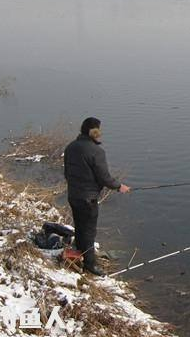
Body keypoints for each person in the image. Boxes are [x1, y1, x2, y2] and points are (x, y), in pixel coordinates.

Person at [64, 117, 130, 276]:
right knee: (88, 231)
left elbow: (67, 173)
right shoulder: (96, 151)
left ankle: (81, 252)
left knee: (80, 225)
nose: (100, 133)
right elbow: (104, 177)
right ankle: (90, 265)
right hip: (88, 198)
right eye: (98, 130)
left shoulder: (71, 147)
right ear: (94, 132)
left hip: (73, 195)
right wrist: (119, 186)